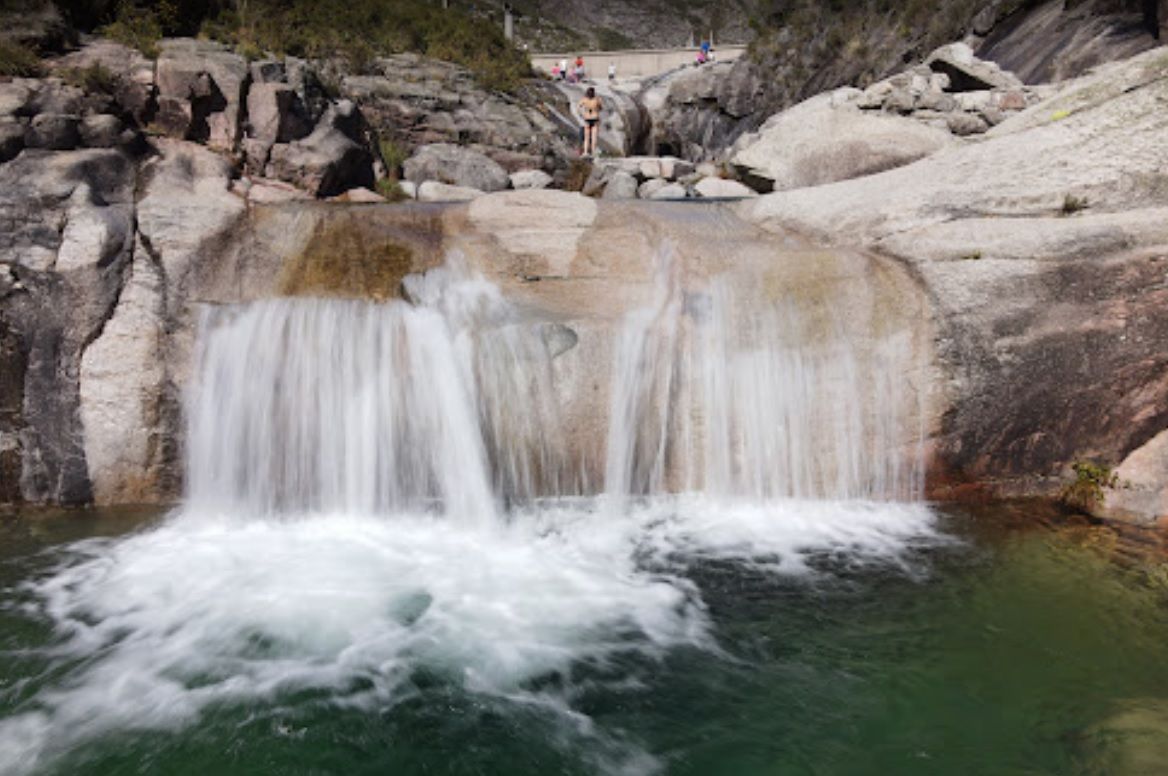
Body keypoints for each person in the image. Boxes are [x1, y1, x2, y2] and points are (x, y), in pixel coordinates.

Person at [578, 86, 601, 158]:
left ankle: (585, 152)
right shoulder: (597, 99)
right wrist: (596, 109)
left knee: (586, 137)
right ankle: (593, 152)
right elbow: (600, 108)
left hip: (587, 118)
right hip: (595, 118)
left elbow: (578, 107)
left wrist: (581, 114)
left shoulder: (584, 100)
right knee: (594, 137)